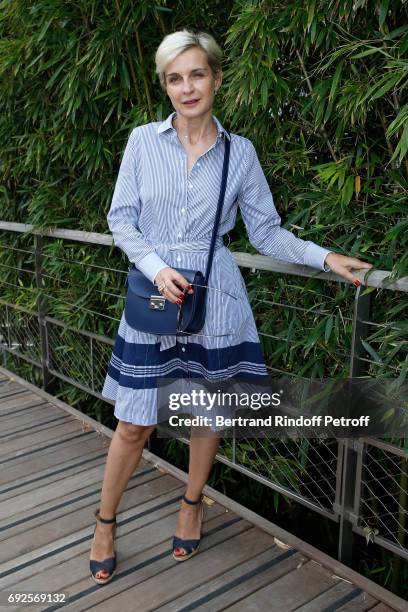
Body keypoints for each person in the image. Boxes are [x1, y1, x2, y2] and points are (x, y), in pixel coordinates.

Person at [89, 29, 373, 584]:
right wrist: (157, 267)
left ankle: (192, 503)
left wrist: (324, 257)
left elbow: (266, 233)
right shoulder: (142, 141)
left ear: (216, 78)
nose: (187, 87)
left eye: (197, 74)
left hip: (214, 297)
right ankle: (104, 521)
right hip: (155, 293)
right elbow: (121, 219)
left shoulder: (239, 153)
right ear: (165, 86)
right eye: (175, 78)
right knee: (132, 424)